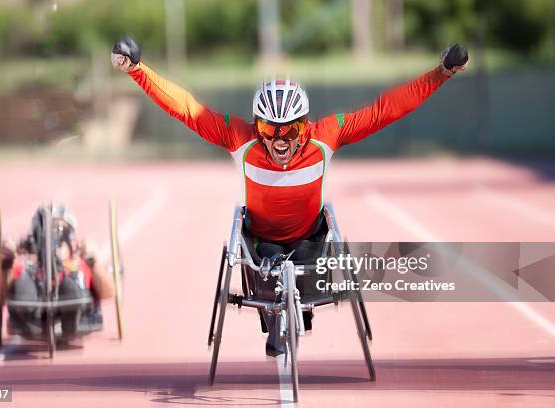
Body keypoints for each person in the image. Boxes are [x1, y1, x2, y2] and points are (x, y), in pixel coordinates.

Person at [111, 35, 468, 355]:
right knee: (267, 255)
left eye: (290, 129)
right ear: (257, 125)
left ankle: (291, 309)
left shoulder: (326, 135)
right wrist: (137, 70)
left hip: (309, 240)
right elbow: (186, 107)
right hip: (261, 241)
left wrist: (441, 73)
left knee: (301, 258)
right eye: (269, 128)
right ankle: (277, 315)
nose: (280, 139)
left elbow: (385, 110)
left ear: (305, 124)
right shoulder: (240, 138)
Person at [0, 204, 116, 338]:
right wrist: (6, 264)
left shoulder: (82, 265)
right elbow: (0, 298)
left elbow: (109, 292)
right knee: (22, 283)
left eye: (59, 232)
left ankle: (70, 319)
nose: (52, 240)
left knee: (71, 284)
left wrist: (93, 260)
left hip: (75, 302)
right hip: (33, 309)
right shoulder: (24, 269)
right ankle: (32, 321)